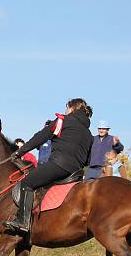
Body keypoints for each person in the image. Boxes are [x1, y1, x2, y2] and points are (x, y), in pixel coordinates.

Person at [6, 98, 93, 238]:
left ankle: (22, 221)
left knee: (27, 183)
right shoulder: (89, 135)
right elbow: (88, 159)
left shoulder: (62, 120)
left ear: (71, 109)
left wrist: (19, 152)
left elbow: (40, 137)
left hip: (58, 165)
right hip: (75, 173)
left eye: (67, 108)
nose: (65, 111)